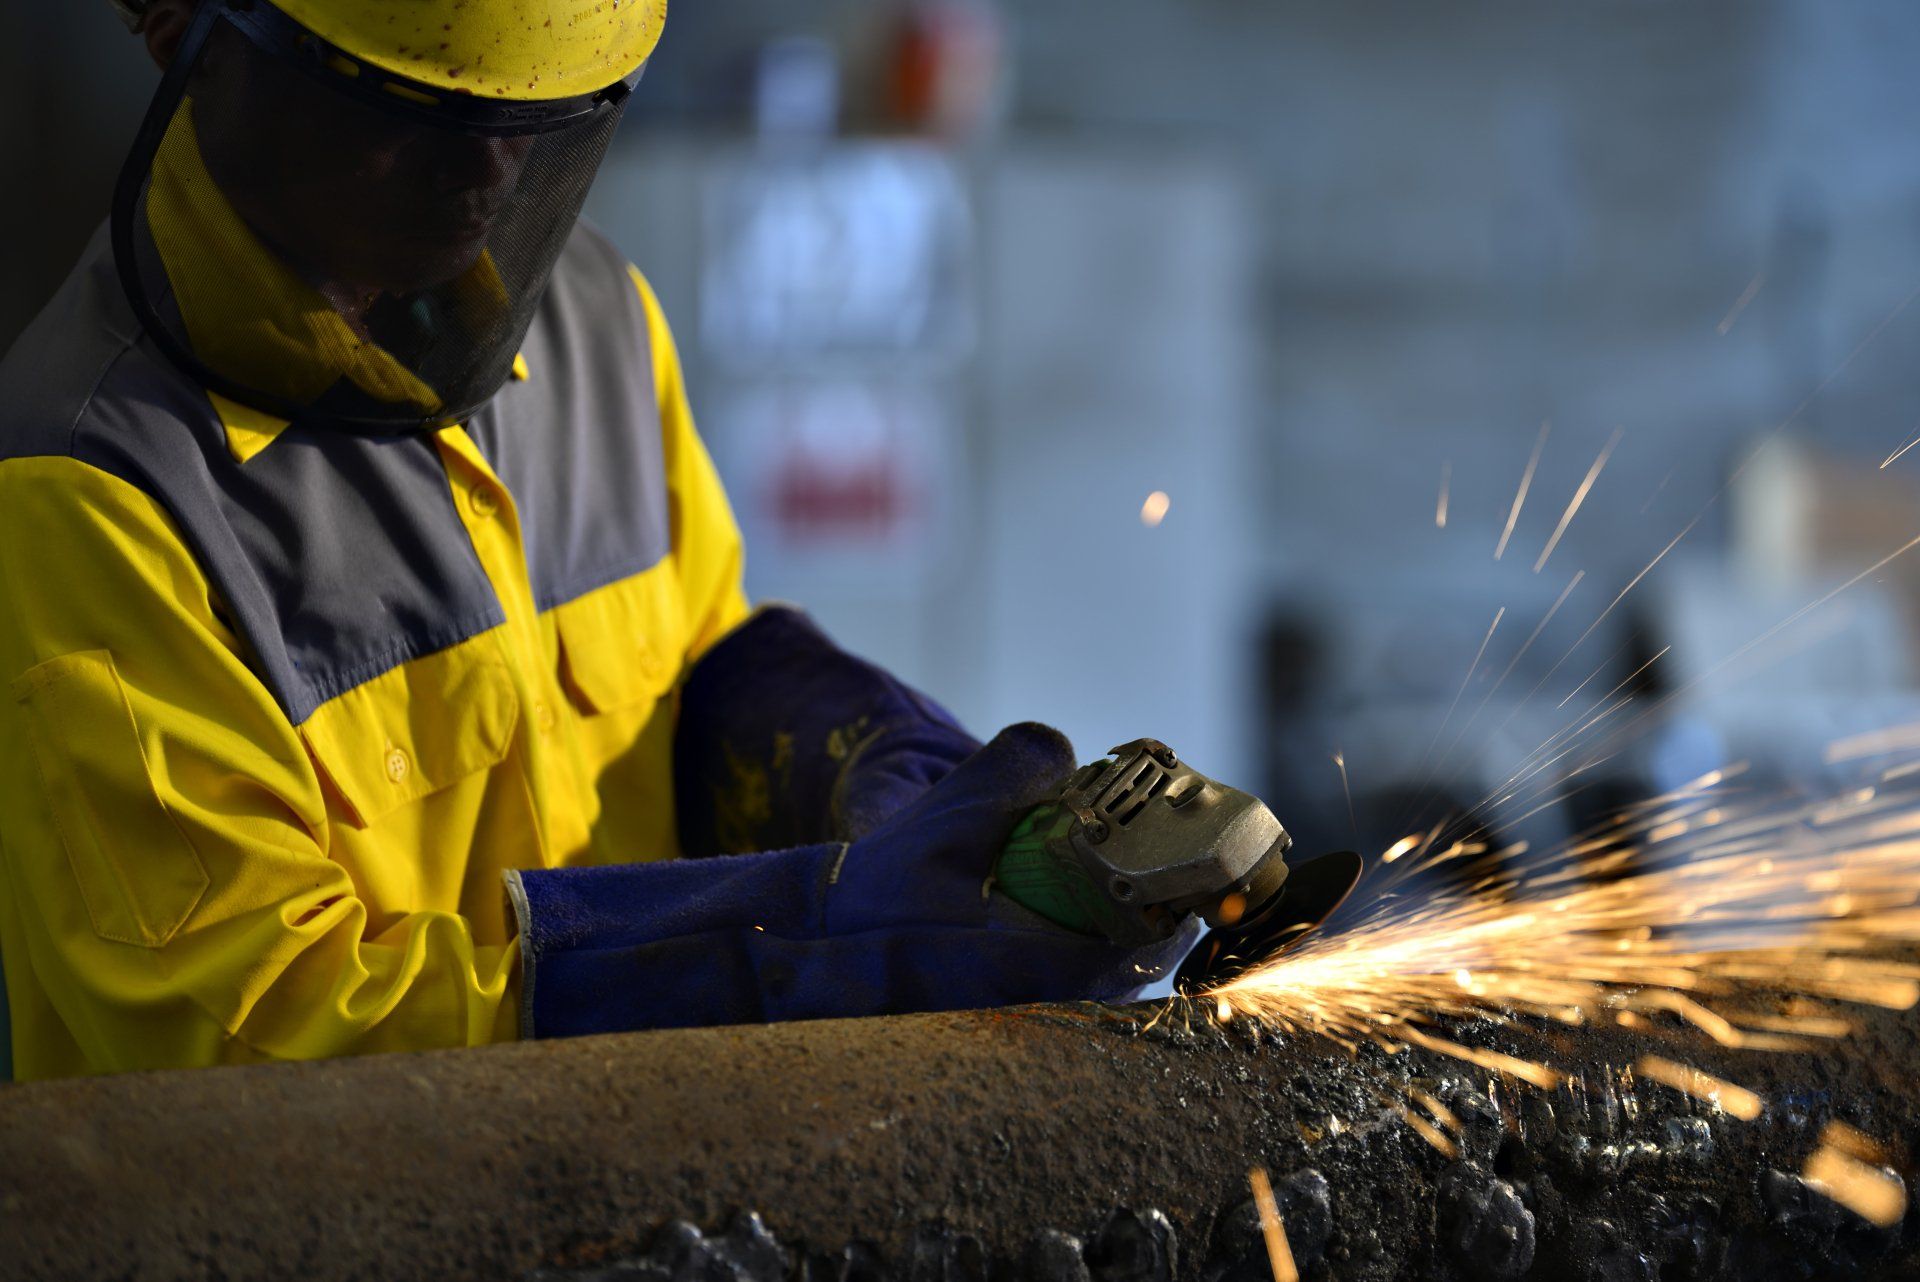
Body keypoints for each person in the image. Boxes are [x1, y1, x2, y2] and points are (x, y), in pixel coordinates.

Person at [0, 0, 1191, 1081]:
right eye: (418, 108)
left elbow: (692, 658)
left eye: (541, 115)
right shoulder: (85, 493)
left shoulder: (596, 318)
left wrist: (857, 756)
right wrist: (802, 937)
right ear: (187, 34)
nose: (488, 170)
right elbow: (252, 1031)